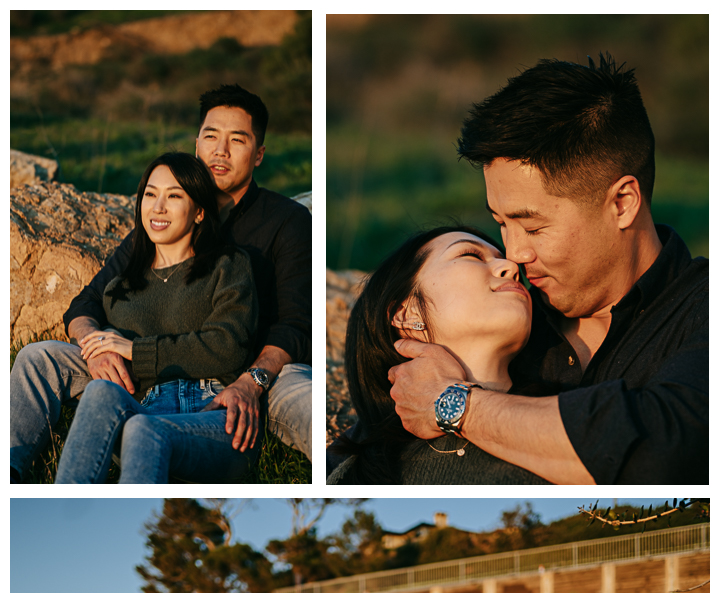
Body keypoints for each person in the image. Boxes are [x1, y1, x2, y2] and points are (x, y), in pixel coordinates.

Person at [385, 54, 707, 485]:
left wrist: (455, 405)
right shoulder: (509, 314)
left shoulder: (704, 308)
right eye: (501, 224)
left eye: (533, 227)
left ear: (622, 203)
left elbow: (669, 449)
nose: (513, 254)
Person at [11, 83, 311, 482]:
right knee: (39, 357)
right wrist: (97, 348)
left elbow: (292, 326)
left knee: (306, 401)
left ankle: (351, 462)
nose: (220, 151)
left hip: (253, 365)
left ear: (258, 154)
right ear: (197, 142)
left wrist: (251, 381)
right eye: (210, 136)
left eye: (237, 140)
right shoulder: (155, 229)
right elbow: (87, 303)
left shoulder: (285, 221)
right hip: (148, 372)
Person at [51, 151, 260, 483]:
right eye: (150, 194)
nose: (158, 207)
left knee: (144, 429)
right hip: (143, 407)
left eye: (174, 196)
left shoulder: (229, 265)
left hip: (215, 415)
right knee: (107, 399)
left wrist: (135, 349)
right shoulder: (121, 286)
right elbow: (83, 310)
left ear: (200, 212)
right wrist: (102, 346)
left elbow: (228, 347)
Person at [326, 225, 551, 484]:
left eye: (503, 259)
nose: (510, 268)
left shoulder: (576, 405)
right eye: (471, 256)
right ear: (406, 313)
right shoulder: (359, 469)